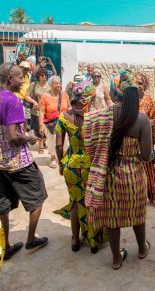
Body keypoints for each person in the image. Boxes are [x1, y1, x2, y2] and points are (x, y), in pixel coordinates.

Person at [87, 70, 153, 270]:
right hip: (134, 177)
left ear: (115, 94)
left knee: (113, 219)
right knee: (137, 215)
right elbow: (146, 155)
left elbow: (91, 148)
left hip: (110, 177)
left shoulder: (101, 117)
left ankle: (116, 259)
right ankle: (142, 249)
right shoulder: (142, 120)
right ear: (134, 94)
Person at [0, 62, 49, 261]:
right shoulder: (13, 101)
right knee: (38, 196)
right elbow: (13, 136)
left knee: (2, 204)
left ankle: (6, 247)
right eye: (20, 77)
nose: (23, 81)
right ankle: (30, 239)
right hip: (18, 162)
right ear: (10, 79)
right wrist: (30, 138)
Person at [54, 79, 107, 254]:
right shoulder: (96, 117)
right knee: (91, 203)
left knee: (75, 203)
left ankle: (75, 240)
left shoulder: (63, 117)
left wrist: (62, 165)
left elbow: (59, 145)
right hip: (90, 168)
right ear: (90, 99)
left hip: (71, 166)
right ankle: (92, 241)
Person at [135, 71, 155, 208]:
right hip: (130, 142)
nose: (137, 86)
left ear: (145, 85)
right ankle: (135, 198)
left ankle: (154, 196)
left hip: (144, 141)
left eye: (140, 83)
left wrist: (149, 124)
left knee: (149, 170)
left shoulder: (148, 100)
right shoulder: (128, 99)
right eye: (135, 83)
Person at [39, 75, 70, 168]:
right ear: (51, 84)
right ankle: (53, 158)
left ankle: (63, 158)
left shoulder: (64, 94)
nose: (58, 85)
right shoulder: (45, 96)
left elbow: (69, 106)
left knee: (65, 141)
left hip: (64, 122)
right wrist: (41, 124)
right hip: (51, 123)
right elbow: (41, 111)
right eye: (56, 83)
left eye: (59, 83)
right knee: (52, 141)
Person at [26, 68, 51, 153]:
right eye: (42, 76)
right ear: (38, 76)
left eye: (45, 75)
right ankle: (40, 145)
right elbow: (26, 96)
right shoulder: (33, 84)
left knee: (46, 128)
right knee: (38, 128)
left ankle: (43, 141)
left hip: (48, 111)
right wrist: (34, 102)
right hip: (36, 111)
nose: (44, 77)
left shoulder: (49, 85)